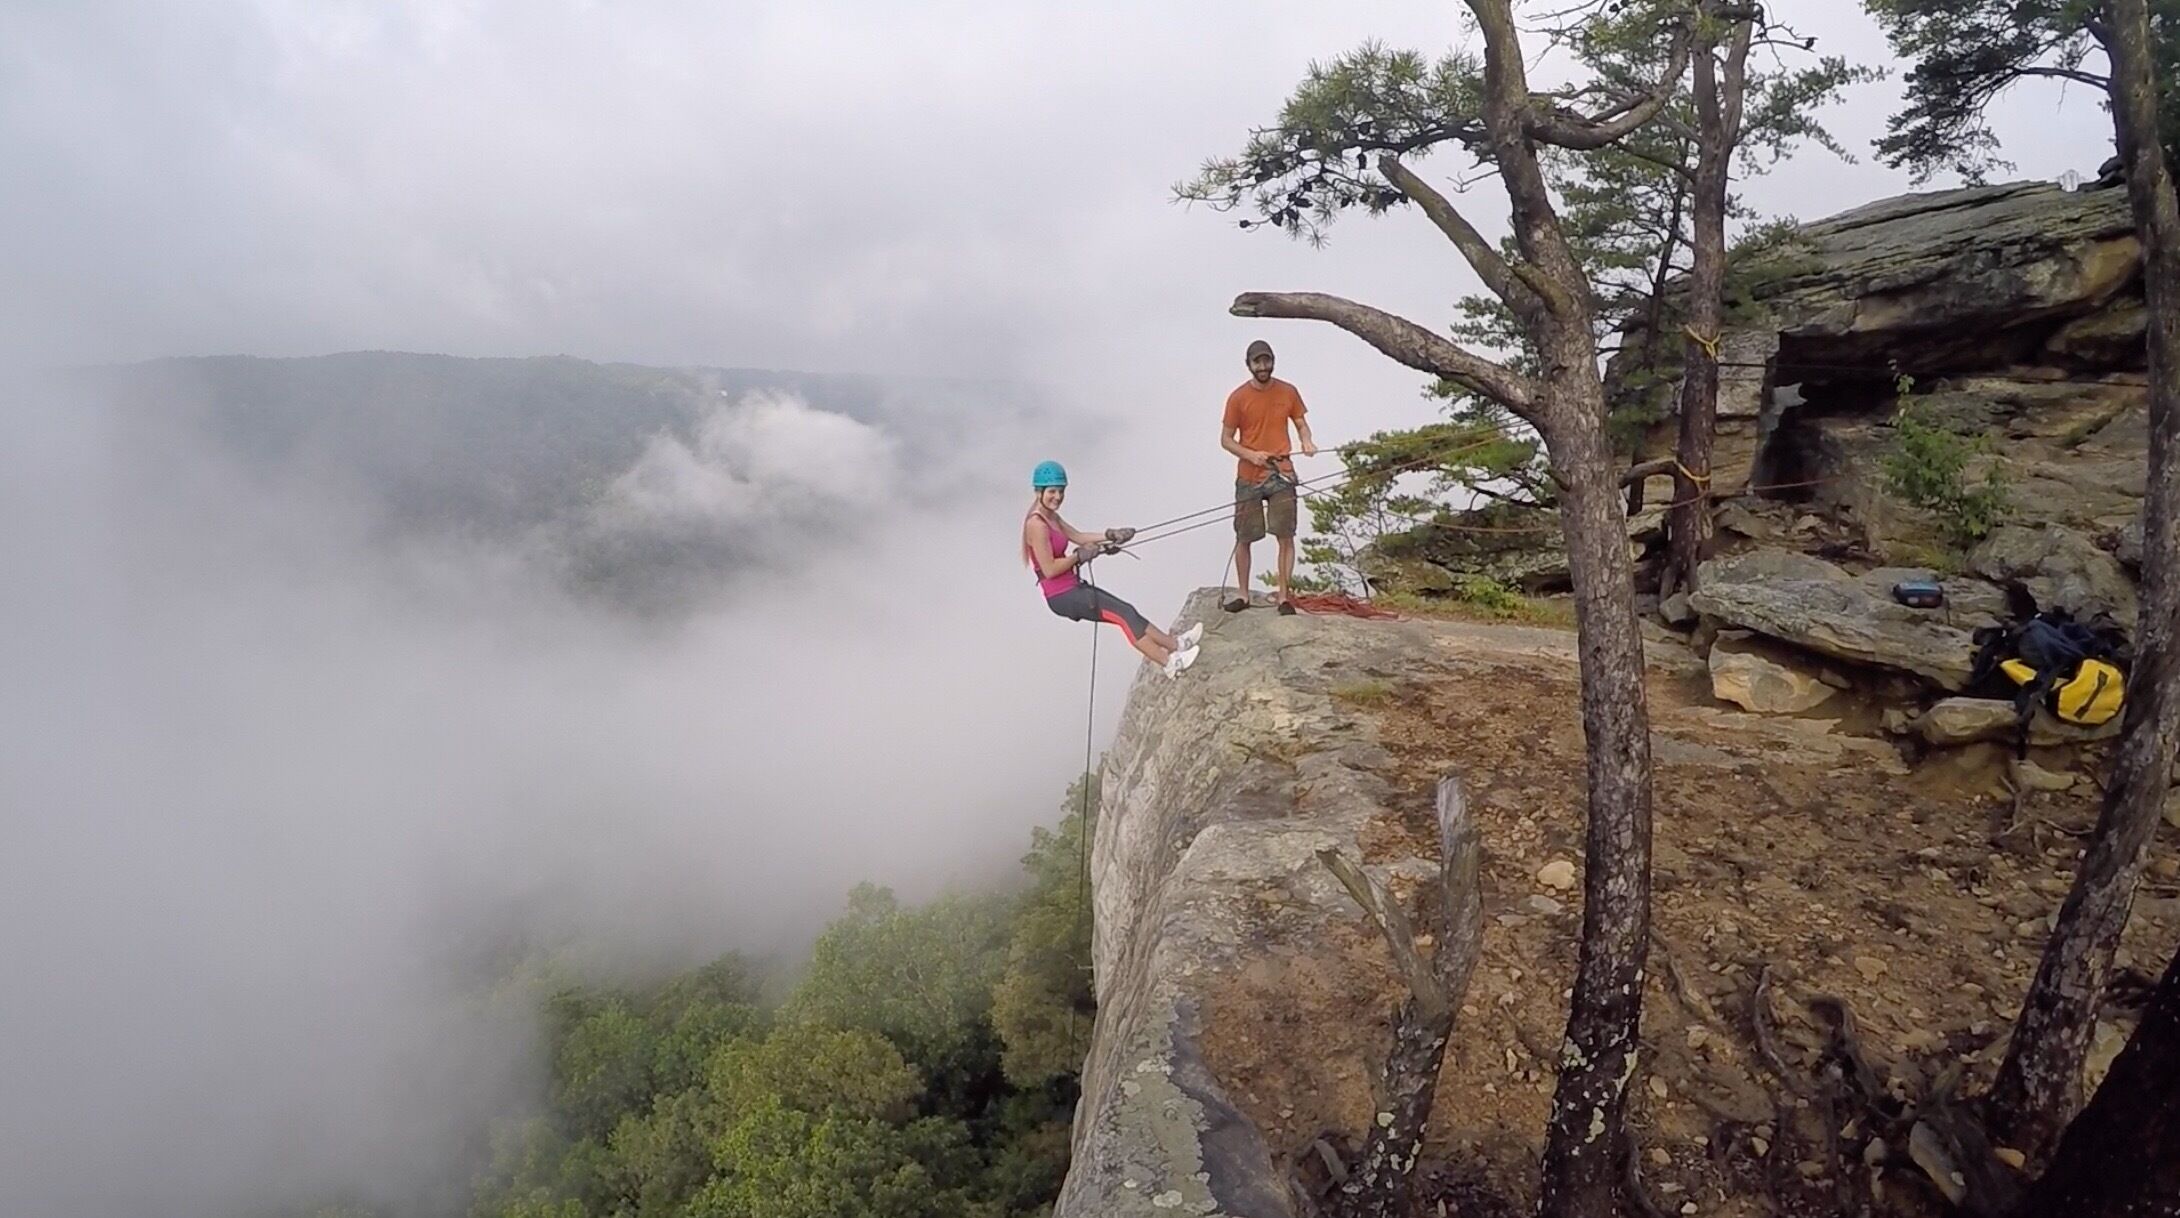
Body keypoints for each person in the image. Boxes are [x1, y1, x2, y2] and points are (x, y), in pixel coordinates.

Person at [1022, 461, 1203, 677]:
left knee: (1127, 610)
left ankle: (1176, 645)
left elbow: (1078, 537)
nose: (1058, 497)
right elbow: (1050, 569)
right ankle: (1170, 663)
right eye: (1052, 491)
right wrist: (1077, 556)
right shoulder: (1037, 525)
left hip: (1071, 587)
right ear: (1039, 491)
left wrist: (1109, 535)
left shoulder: (1051, 517)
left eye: (1061, 491)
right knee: (1123, 615)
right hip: (1061, 595)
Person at [1221, 339, 1316, 614]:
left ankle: (1284, 596)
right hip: (1249, 474)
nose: (1263, 366)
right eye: (1257, 362)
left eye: (1266, 361)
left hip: (1281, 471)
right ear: (1248, 364)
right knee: (1244, 537)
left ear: (1273, 361)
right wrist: (1250, 455)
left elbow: (1300, 421)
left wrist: (1306, 441)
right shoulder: (1238, 398)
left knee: (1285, 534)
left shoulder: (1288, 391)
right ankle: (1243, 594)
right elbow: (1226, 439)